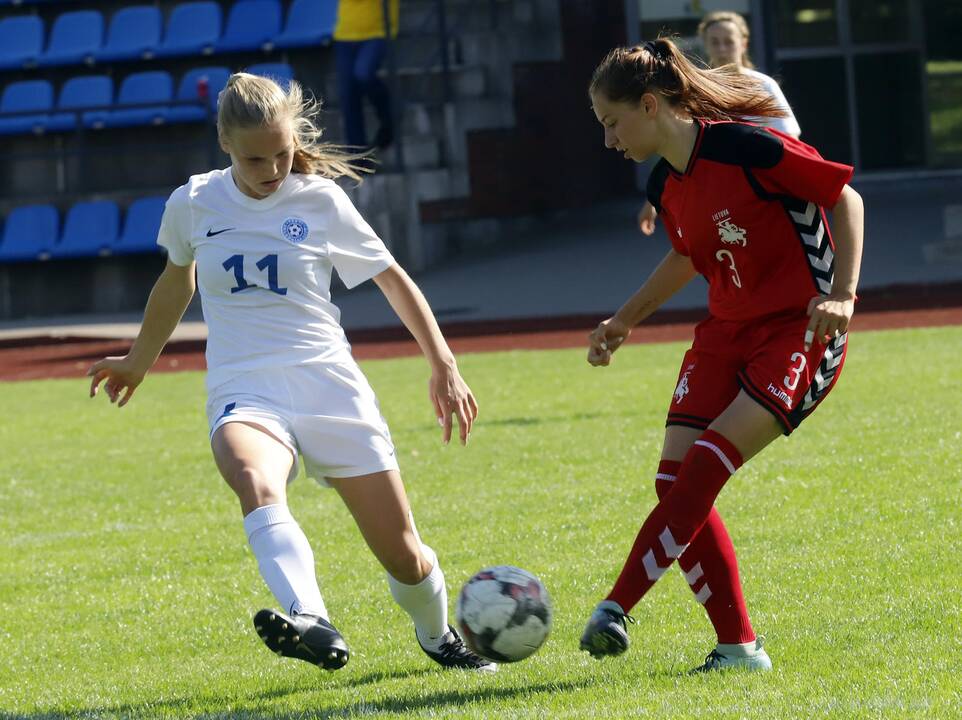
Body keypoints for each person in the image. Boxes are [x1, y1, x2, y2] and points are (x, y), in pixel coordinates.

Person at [88, 72, 495, 674]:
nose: (273, 168)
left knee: (405, 557)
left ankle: (438, 637)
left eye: (281, 153)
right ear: (224, 140)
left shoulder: (320, 200)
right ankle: (310, 617)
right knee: (254, 477)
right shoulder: (194, 202)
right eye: (256, 158)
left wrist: (443, 362)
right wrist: (138, 360)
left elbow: (391, 277)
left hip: (329, 387)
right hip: (244, 386)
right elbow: (178, 279)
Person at [581, 39, 863, 672]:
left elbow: (846, 198)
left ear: (649, 105)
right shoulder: (664, 179)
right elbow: (686, 253)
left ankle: (618, 604)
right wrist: (625, 319)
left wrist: (842, 295)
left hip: (797, 332)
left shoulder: (749, 147)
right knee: (671, 481)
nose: (608, 140)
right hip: (725, 334)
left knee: (705, 466)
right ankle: (738, 648)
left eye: (611, 122)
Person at [637, 11, 800, 236]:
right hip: (719, 203)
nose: (722, 49)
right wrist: (653, 202)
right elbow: (680, 146)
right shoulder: (695, 91)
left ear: (743, 44)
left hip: (765, 197)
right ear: (705, 44)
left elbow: (789, 142)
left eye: (729, 42)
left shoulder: (763, 85)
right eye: (715, 42)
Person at [333, 0, 398, 152]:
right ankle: (357, 158)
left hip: (378, 31)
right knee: (348, 96)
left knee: (363, 74)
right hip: (345, 33)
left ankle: (388, 118)